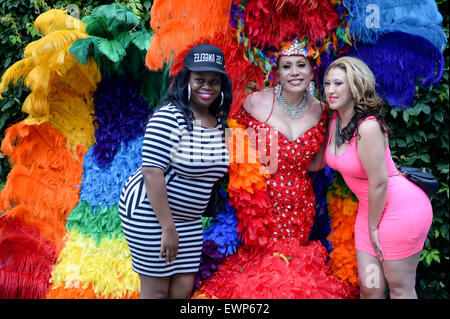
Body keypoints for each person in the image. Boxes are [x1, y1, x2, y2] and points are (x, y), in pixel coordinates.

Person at [193, 39, 356, 299]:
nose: (295, 72)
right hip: (261, 209)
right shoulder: (254, 103)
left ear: (312, 70)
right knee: (259, 274)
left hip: (300, 208)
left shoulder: (323, 111)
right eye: (287, 66)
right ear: (276, 72)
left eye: (301, 65)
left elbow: (318, 162)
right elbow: (231, 143)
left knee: (292, 272)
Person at [118, 43, 232, 299]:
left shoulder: (221, 122)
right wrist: (168, 228)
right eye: (199, 79)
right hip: (150, 213)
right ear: (186, 80)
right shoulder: (170, 116)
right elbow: (151, 172)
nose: (207, 86)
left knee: (183, 289)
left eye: (214, 81)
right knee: (157, 291)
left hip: (189, 220)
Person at [323, 56, 433, 299]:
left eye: (338, 83)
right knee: (370, 288)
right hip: (370, 211)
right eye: (327, 83)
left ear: (355, 86)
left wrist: (374, 226)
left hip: (400, 211)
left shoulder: (368, 127)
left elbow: (380, 182)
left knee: (400, 288)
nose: (330, 90)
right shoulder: (335, 121)